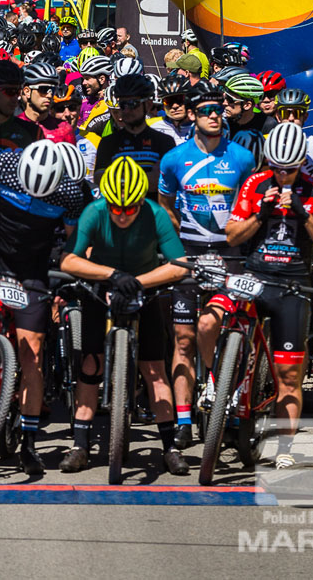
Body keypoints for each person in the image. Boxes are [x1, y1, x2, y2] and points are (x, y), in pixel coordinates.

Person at [0, 139, 90, 474]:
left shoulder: (70, 193)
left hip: (32, 269)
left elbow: (72, 241)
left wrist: (63, 278)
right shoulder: (3, 164)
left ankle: (27, 442)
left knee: (33, 354)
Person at [60, 156, 191, 474]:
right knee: (91, 367)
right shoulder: (95, 210)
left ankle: (170, 447)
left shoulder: (156, 213)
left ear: (139, 201)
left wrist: (138, 282)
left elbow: (180, 263)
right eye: (116, 208)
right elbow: (67, 260)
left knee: (154, 370)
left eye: (130, 208)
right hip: (102, 287)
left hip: (142, 292)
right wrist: (112, 275)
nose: (122, 214)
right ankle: (79, 445)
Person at [224, 122, 313, 468]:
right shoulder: (256, 183)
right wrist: (262, 214)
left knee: (289, 374)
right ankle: (223, 406)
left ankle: (284, 447)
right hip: (257, 276)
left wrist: (303, 214)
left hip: (294, 284)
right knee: (233, 342)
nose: (283, 175)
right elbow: (232, 235)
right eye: (276, 168)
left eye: (289, 170)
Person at [157, 82, 256, 448]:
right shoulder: (174, 158)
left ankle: (221, 388)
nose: (214, 115)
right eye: (206, 111)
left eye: (219, 109)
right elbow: (165, 202)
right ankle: (183, 421)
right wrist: (175, 240)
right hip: (191, 251)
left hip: (230, 254)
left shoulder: (242, 158)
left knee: (213, 324)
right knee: (182, 339)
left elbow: (250, 205)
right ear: (194, 116)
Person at [92, 74, 174, 196]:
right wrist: (146, 178)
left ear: (148, 104)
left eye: (132, 104)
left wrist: (119, 177)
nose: (125, 111)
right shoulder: (108, 142)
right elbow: (100, 180)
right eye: (123, 105)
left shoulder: (164, 141)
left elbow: (166, 182)